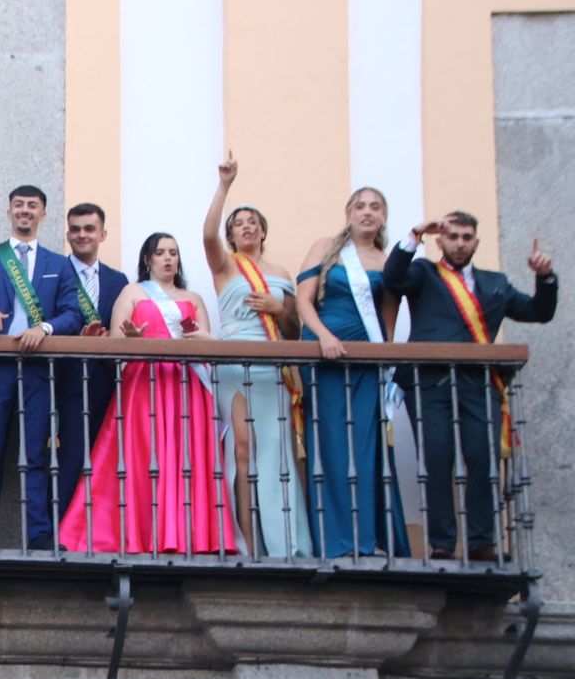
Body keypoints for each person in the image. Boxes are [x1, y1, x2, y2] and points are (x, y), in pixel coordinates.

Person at [386, 212, 556, 561]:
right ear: (440, 241)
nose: (460, 244)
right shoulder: (424, 273)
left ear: (476, 242)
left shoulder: (496, 282)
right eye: (453, 237)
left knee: (483, 458)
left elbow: (539, 311)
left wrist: (545, 277)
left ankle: (480, 541)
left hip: (478, 383)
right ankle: (442, 544)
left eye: (467, 237)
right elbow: (393, 279)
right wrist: (415, 235)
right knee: (436, 458)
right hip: (429, 383)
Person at [61, 234, 237, 555]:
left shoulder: (194, 298)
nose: (168, 258)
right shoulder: (132, 292)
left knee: (185, 458)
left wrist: (200, 338)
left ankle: (189, 536)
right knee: (142, 457)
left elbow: (207, 344)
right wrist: (131, 340)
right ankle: (139, 534)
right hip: (144, 385)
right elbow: (114, 344)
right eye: (160, 253)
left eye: (173, 253)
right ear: (148, 259)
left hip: (187, 387)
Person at [0, 185, 84, 549]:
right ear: (9, 211)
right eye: (18, 205)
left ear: (43, 213)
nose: (25, 210)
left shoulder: (58, 264)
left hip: (37, 370)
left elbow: (72, 315)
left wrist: (44, 328)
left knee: (36, 455)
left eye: (32, 205)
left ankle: (40, 536)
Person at [201, 154, 311, 557]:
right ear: (231, 235)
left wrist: (278, 308)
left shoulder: (281, 272)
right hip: (235, 364)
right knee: (242, 451)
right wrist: (224, 185)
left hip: (272, 366)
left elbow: (293, 331)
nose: (246, 226)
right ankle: (248, 543)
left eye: (253, 222)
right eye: (239, 223)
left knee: (276, 452)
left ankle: (283, 542)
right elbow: (207, 235)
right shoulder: (226, 266)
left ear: (263, 230)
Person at [296, 187, 408, 558]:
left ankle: (368, 538)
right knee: (330, 443)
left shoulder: (386, 261)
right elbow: (303, 302)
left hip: (366, 362)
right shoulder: (325, 247)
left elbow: (388, 317)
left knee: (365, 446)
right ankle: (336, 541)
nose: (367, 212)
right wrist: (324, 336)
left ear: (383, 215)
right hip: (324, 357)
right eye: (360, 206)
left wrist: (386, 359)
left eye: (375, 207)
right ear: (349, 212)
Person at [57, 201, 129, 514]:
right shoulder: (54, 271)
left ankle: (95, 528)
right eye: (75, 229)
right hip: (64, 382)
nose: (82, 234)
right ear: (68, 235)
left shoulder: (118, 280)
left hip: (105, 383)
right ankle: (61, 529)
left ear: (103, 234)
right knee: (68, 461)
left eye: (89, 228)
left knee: (104, 463)